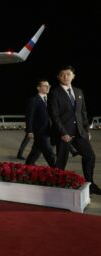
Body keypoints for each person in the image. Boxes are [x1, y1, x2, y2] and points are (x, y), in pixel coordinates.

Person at [48, 65, 100, 195]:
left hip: (80, 132)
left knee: (90, 156)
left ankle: (89, 183)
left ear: (73, 76)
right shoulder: (54, 93)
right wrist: (63, 132)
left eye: (68, 74)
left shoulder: (78, 91)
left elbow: (83, 112)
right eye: (63, 74)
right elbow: (54, 115)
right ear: (58, 77)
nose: (66, 76)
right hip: (64, 133)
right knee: (61, 161)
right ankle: (57, 186)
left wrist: (86, 130)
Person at [24, 79, 55, 166]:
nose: (48, 87)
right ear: (38, 88)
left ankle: (27, 167)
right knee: (49, 152)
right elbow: (29, 116)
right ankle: (57, 170)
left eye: (49, 86)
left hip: (49, 130)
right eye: (45, 85)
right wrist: (29, 130)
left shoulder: (49, 100)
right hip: (40, 131)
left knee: (35, 152)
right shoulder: (34, 100)